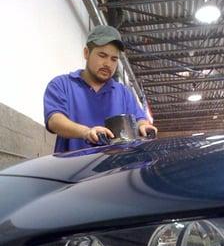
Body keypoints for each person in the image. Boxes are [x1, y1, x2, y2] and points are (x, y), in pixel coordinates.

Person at [44, 25, 157, 153]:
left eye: (114, 59)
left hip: (115, 170)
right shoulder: (61, 85)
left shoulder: (123, 93)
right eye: (102, 55)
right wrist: (86, 132)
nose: (108, 64)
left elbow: (139, 119)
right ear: (86, 53)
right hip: (73, 169)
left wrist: (143, 126)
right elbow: (54, 120)